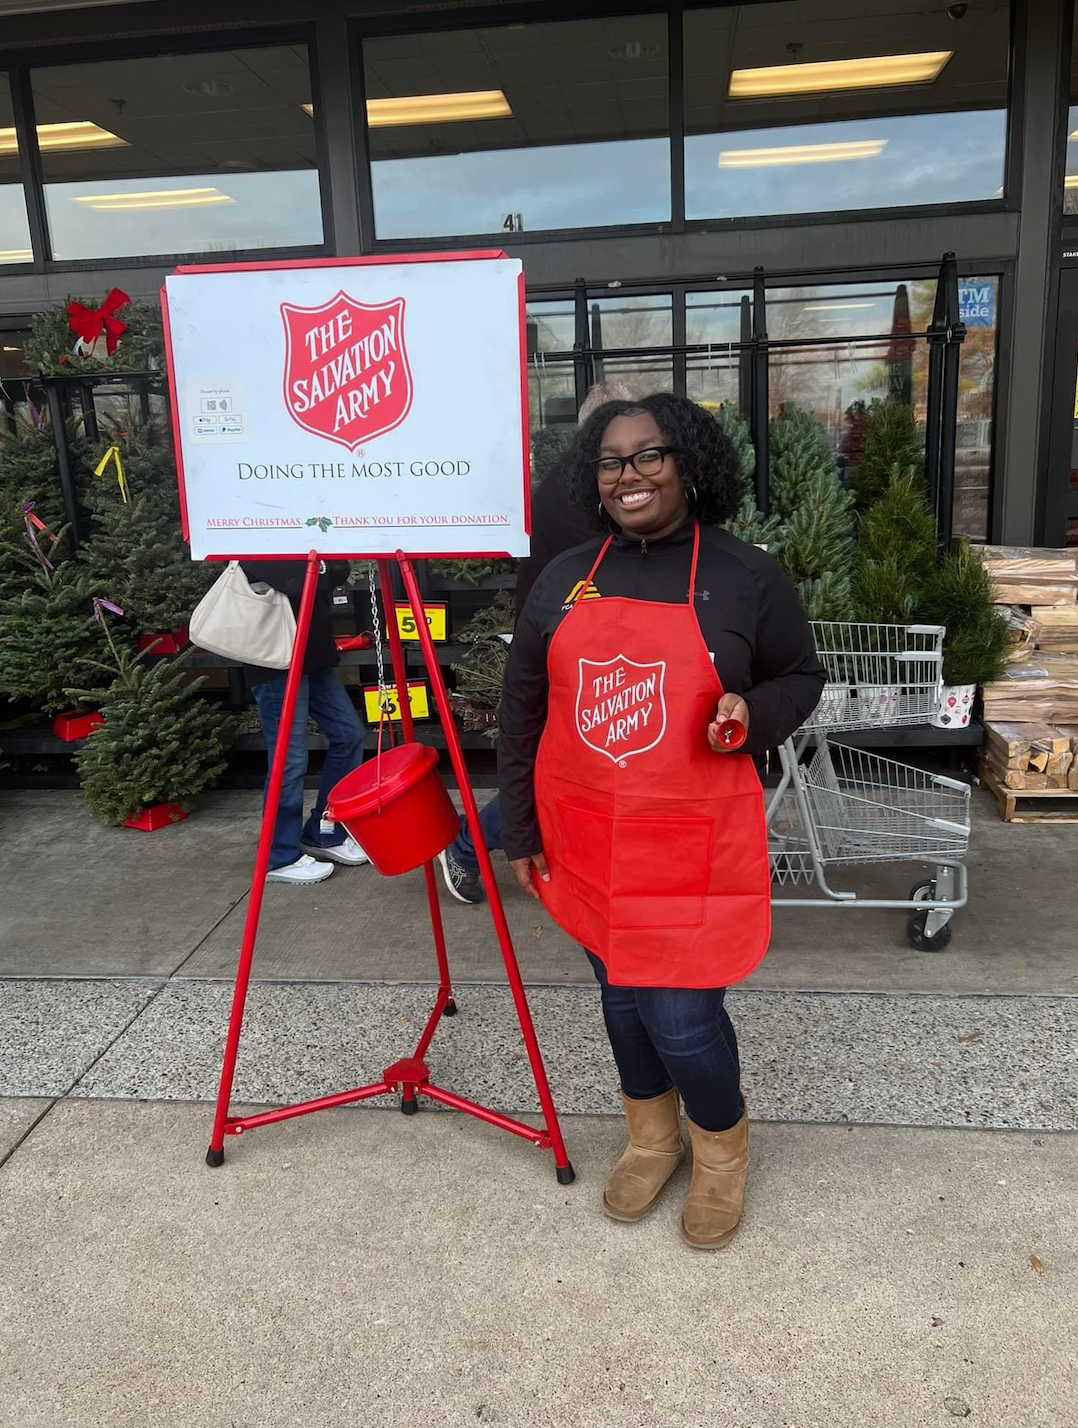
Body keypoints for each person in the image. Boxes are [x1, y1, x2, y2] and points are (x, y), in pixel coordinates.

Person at [497, 394, 826, 1249]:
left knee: (680, 1016)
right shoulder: (564, 577)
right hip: (588, 838)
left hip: (692, 844)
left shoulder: (745, 575)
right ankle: (652, 1139)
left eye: (650, 455)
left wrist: (751, 716)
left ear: (689, 463)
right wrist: (521, 830)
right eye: (611, 460)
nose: (629, 475)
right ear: (592, 476)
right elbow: (522, 709)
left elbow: (801, 676)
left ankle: (721, 1155)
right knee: (618, 999)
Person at [438, 380, 643, 904]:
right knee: (554, 766)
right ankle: (467, 845)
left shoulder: (567, 482)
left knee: (562, 763)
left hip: (567, 642)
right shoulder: (582, 491)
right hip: (568, 648)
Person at [242, 559, 370, 885]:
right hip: (274, 660)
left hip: (311, 655)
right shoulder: (257, 532)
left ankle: (323, 831)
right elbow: (294, 581)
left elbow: (338, 569)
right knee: (290, 758)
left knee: (349, 735)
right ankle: (279, 856)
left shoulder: (303, 529)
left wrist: (321, 572)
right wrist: (321, 571)